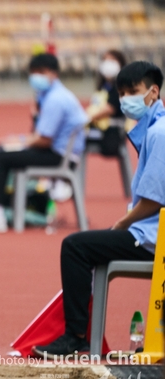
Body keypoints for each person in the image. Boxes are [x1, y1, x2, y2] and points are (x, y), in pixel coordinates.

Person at [33, 61, 165, 357]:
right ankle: (82, 334)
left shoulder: (160, 134)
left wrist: (122, 223)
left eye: (133, 91)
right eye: (121, 93)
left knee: (75, 247)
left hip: (153, 237)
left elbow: (155, 200)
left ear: (153, 92)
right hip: (151, 231)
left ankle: (75, 336)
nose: (126, 99)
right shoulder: (154, 128)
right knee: (87, 245)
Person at [0, 53, 88, 233]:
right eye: (33, 72)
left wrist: (19, 142)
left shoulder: (56, 99)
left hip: (58, 156)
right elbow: (41, 135)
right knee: (4, 153)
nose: (36, 77)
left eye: (41, 72)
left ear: (54, 73)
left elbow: (44, 140)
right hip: (59, 152)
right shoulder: (51, 95)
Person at [85, 50, 128, 157]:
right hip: (101, 129)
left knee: (73, 139)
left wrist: (84, 118)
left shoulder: (120, 86)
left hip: (112, 134)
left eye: (112, 60)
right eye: (105, 60)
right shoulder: (105, 87)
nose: (108, 63)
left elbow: (109, 109)